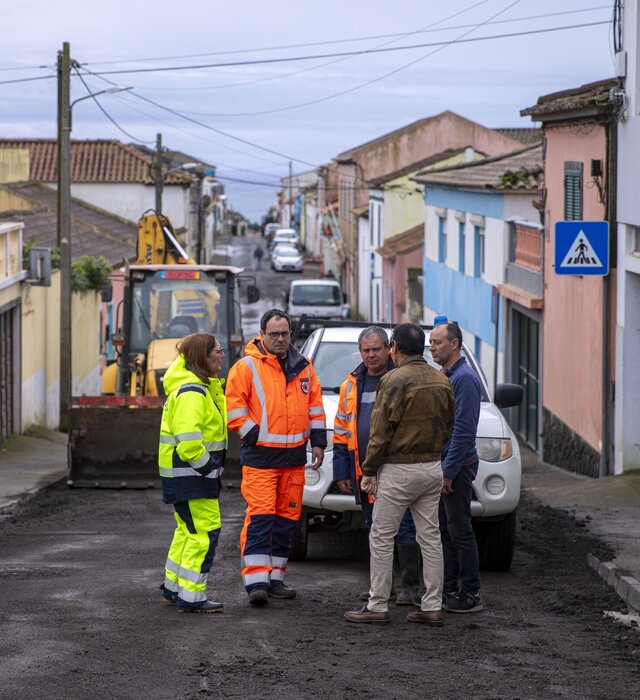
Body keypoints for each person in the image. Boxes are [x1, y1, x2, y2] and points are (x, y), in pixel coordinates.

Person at [344, 323, 455, 626]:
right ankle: (432, 606)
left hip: (399, 470)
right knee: (430, 537)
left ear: (394, 348)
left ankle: (378, 605)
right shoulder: (441, 379)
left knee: (381, 537)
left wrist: (369, 470)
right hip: (432, 467)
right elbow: (449, 424)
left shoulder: (393, 379)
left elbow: (380, 431)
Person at [226, 309, 327, 607]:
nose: (281, 339)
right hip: (260, 460)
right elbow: (233, 408)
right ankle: (256, 582)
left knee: (286, 520)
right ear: (262, 334)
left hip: (293, 460)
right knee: (261, 518)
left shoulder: (303, 366)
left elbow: (315, 407)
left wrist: (319, 442)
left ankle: (276, 579)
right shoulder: (245, 367)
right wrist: (254, 435)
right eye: (274, 334)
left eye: (285, 333)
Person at [333, 326, 423, 606]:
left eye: (376, 349)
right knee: (376, 530)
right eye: (366, 350)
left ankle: (409, 588)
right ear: (360, 352)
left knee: (405, 528)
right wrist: (342, 471)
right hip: (366, 473)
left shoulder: (402, 378)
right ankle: (382, 587)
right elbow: (341, 431)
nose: (371, 355)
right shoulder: (351, 384)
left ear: (389, 349)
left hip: (398, 469)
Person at [158, 332, 227, 613]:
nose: (222, 355)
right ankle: (192, 596)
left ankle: (174, 588)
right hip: (194, 476)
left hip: (185, 476)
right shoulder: (192, 392)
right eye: (217, 351)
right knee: (205, 532)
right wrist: (208, 468)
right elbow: (189, 444)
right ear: (202, 357)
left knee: (188, 531)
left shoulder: (192, 388)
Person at [429, 320, 484, 613]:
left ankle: (471, 593)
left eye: (437, 342)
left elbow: (463, 431)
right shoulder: (446, 375)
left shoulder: (464, 379)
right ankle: (449, 590)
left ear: (454, 344)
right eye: (430, 342)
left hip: (457, 467)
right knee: (445, 531)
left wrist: (449, 472)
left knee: (460, 531)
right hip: (446, 466)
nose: (432, 347)